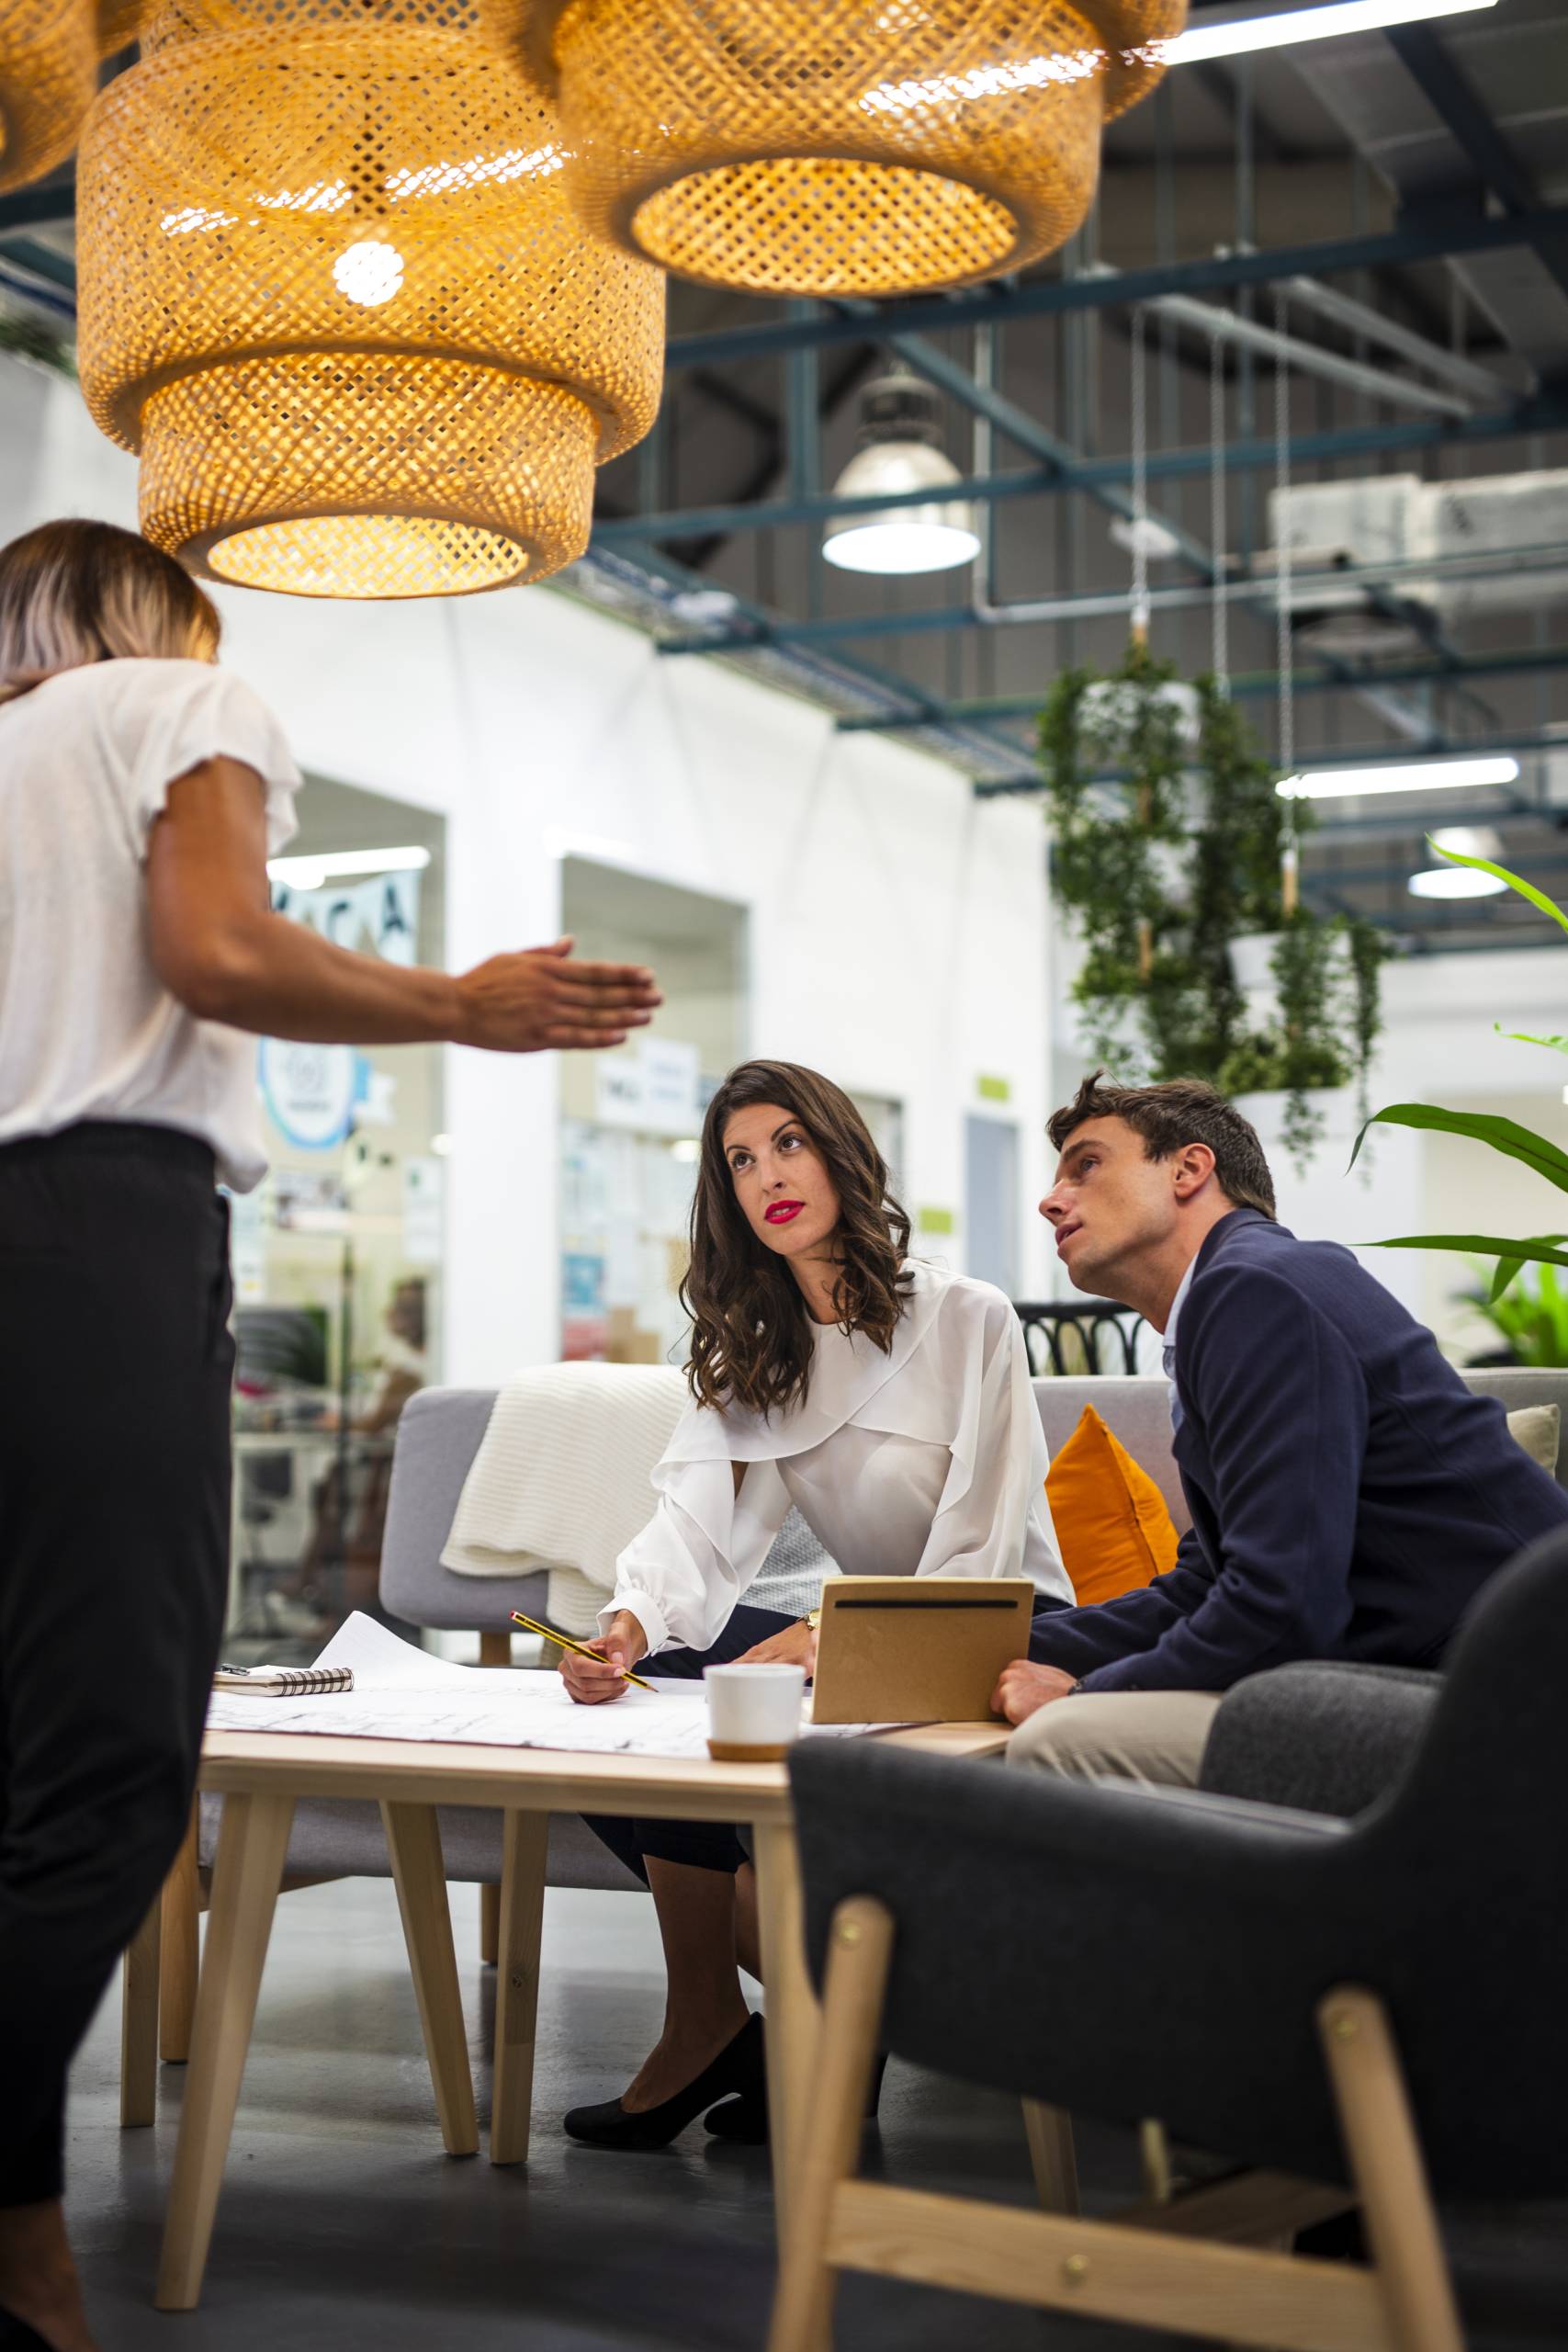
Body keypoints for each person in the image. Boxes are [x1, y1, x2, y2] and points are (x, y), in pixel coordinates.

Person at [0, 518, 661, 2352]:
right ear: (161, 619)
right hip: (90, 1236)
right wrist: (459, 1005)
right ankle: (14, 2219)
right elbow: (212, 946)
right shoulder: (175, 695)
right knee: (110, 1778)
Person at [558, 1057, 1070, 2150]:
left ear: (838, 1151)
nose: (767, 1175)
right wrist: (625, 1627)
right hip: (871, 1656)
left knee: (731, 1685)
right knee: (658, 1698)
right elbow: (692, 1524)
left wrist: (827, 1632)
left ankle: (817, 2009)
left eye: (788, 1142)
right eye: (740, 1160)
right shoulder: (761, 1348)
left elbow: (980, 1551)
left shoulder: (968, 1319)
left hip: (1002, 1649)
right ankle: (720, 2017)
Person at [996, 1073, 1568, 1789]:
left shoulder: (1254, 1292)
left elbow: (1283, 1608)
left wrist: (1083, 1694)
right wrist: (966, 1650)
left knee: (1061, 1741)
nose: (1050, 1200)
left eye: (1087, 1164)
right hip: (1459, 1678)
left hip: (1505, 1703)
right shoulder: (1249, 1289)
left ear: (1189, 1168)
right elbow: (1202, 1587)